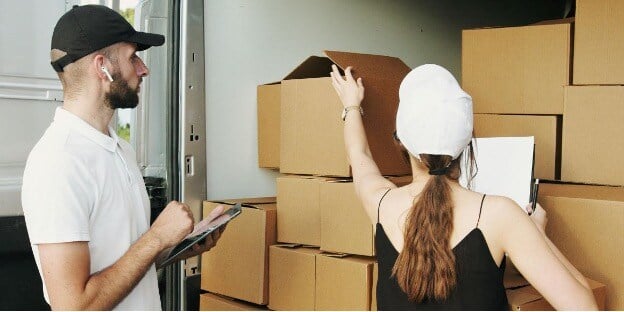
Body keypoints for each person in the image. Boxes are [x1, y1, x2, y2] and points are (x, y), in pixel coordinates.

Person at [330, 64, 598, 310]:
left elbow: (359, 155)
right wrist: (538, 234)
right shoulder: (501, 215)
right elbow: (584, 306)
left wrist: (351, 105)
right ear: (468, 141)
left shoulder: (381, 203)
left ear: (400, 141)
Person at [21, 5, 225, 310]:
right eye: (133, 57)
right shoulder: (58, 162)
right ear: (102, 67)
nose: (143, 69)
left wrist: (177, 245)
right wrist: (156, 237)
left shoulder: (119, 149)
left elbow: (122, 266)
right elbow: (73, 305)